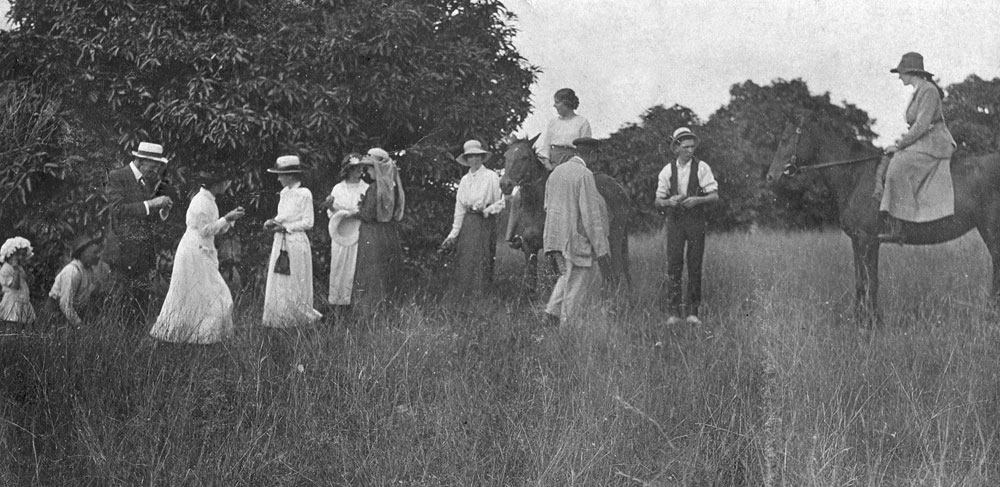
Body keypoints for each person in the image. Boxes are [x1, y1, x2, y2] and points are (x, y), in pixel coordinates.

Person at [149, 171, 245, 343]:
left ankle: (202, 338)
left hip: (200, 249)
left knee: (205, 294)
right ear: (217, 183)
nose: (227, 185)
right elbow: (205, 231)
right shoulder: (201, 201)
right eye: (226, 182)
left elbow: (214, 229)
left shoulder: (209, 200)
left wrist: (229, 219)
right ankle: (192, 336)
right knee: (209, 293)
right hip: (194, 251)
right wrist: (226, 218)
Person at [876, 52, 957, 242]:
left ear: (911, 72)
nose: (899, 76)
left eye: (901, 72)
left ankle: (900, 224)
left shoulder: (928, 90)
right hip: (924, 141)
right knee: (893, 160)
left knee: (898, 165)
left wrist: (899, 145)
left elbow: (921, 125)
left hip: (935, 142)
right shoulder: (919, 91)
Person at [507, 88, 593, 246]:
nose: (555, 106)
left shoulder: (582, 122)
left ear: (567, 103)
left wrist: (572, 166)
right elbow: (546, 145)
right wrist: (547, 163)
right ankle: (515, 235)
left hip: (572, 161)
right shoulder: (553, 122)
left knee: (572, 196)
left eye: (557, 102)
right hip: (552, 162)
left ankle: (578, 233)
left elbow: (585, 148)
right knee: (520, 194)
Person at [654, 127, 719, 326]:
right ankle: (674, 312)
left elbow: (715, 196)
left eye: (692, 147)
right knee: (673, 264)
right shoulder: (667, 170)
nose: (690, 150)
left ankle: (693, 312)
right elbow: (657, 201)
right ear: (676, 147)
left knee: (694, 264)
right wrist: (669, 202)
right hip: (674, 221)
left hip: (695, 221)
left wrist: (697, 201)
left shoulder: (702, 168)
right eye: (685, 147)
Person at [542, 137, 610, 325]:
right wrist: (601, 248)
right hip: (574, 239)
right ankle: (568, 329)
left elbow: (547, 207)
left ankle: (550, 313)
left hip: (554, 238)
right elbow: (591, 215)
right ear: (592, 154)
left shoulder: (556, 172)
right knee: (576, 286)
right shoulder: (584, 174)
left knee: (566, 276)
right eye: (596, 156)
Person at [103, 141, 175, 311]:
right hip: (122, 255)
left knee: (139, 306)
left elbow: (144, 215)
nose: (156, 170)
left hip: (141, 255)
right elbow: (118, 211)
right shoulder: (116, 176)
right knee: (120, 304)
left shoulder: (146, 180)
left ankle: (136, 336)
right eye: (154, 165)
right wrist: (152, 203)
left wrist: (161, 210)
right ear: (141, 160)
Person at [262, 155, 323, 328]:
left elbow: (308, 222)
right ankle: (280, 318)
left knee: (295, 278)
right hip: (280, 240)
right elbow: (283, 215)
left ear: (290, 175)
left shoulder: (304, 194)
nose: (279, 178)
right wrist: (273, 221)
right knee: (280, 279)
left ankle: (298, 319)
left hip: (295, 241)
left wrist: (287, 228)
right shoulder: (284, 193)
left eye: (281, 175)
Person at [440, 140, 505, 294]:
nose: (474, 160)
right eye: (470, 157)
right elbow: (460, 209)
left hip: (484, 222)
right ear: (466, 160)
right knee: (466, 258)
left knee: (482, 257)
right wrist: (453, 234)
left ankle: (481, 295)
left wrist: (488, 210)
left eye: (477, 156)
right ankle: (464, 295)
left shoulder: (491, 176)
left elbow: (502, 202)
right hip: (469, 223)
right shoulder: (464, 180)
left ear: (482, 157)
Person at [352, 148, 405, 312]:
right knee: (386, 271)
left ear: (378, 168)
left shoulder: (375, 188)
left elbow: (368, 215)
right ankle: (388, 308)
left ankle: (370, 310)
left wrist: (357, 211)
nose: (367, 171)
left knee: (371, 271)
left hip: (372, 234)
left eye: (370, 167)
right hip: (388, 232)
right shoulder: (394, 186)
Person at [323, 153, 370, 307]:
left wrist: (358, 213)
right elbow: (332, 214)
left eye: (361, 167)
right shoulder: (338, 188)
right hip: (341, 233)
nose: (359, 170)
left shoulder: (366, 188)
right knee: (339, 266)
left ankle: (356, 304)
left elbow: (368, 211)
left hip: (358, 232)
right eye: (355, 167)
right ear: (348, 169)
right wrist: (330, 206)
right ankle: (338, 305)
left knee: (356, 266)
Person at [48, 234, 111, 328]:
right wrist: (79, 325)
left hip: (72, 312)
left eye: (99, 252)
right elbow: (64, 304)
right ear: (82, 253)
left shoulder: (88, 270)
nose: (98, 256)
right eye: (94, 252)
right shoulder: (73, 271)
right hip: (57, 313)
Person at [0, 237, 36, 327]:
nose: (20, 257)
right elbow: (15, 286)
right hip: (12, 303)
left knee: (26, 326)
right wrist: (16, 270)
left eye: (23, 255)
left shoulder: (19, 268)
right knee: (12, 327)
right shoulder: (6, 269)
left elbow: (25, 282)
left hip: (22, 300)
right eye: (18, 255)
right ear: (10, 254)